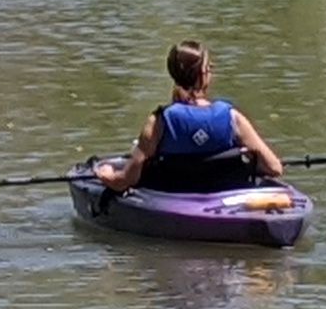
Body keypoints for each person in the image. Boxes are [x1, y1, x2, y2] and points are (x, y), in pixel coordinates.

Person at [109, 41, 284, 195]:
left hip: (174, 196)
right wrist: (249, 167)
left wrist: (107, 175)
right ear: (204, 74)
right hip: (223, 196)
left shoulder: (159, 122)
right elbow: (274, 168)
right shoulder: (232, 117)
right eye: (210, 68)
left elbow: (127, 179)